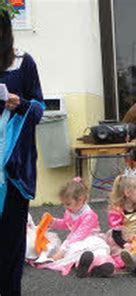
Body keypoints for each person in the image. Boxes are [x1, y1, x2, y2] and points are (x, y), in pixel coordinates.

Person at [0, 10, 44, 295]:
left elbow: (39, 109)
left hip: (14, 170)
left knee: (11, 243)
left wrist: (20, 103)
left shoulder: (22, 62)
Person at [38, 178, 114, 278]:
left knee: (98, 250)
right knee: (77, 251)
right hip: (75, 240)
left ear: (81, 200)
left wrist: (62, 250)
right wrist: (53, 222)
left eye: (68, 204)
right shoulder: (70, 212)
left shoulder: (89, 215)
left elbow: (79, 235)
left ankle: (101, 266)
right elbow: (66, 224)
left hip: (89, 238)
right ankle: (84, 266)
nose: (65, 207)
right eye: (64, 204)